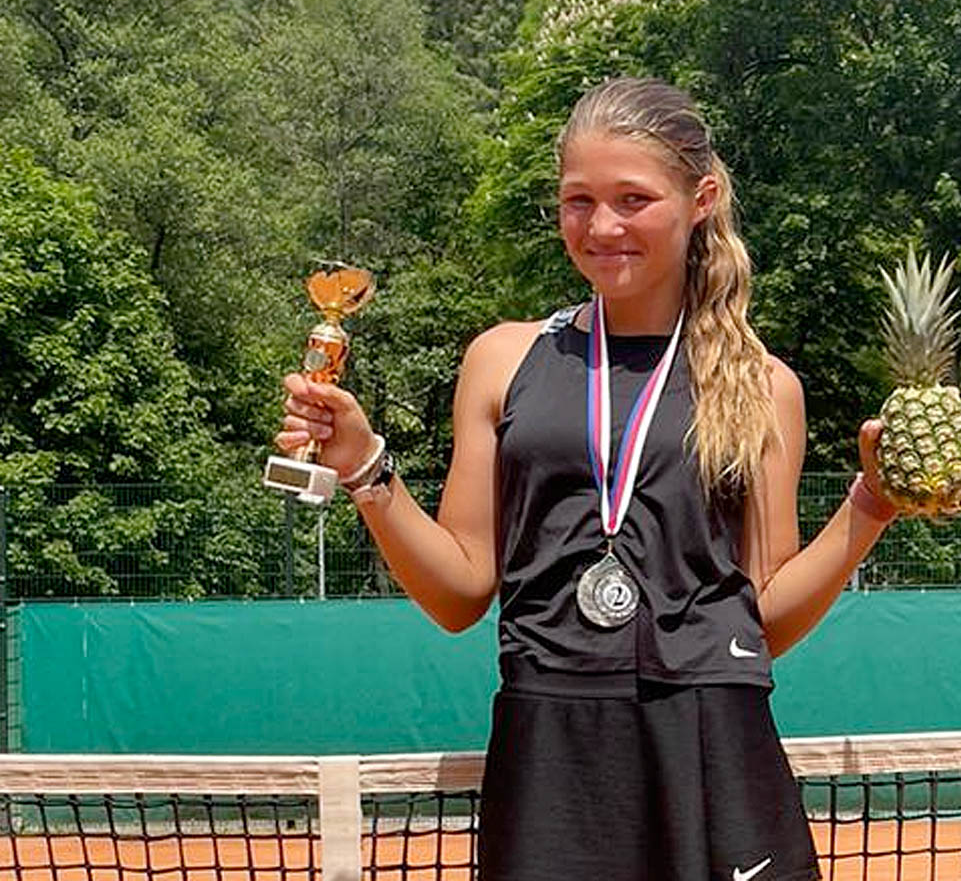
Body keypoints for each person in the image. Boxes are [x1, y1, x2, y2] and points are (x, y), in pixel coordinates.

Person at [276, 77, 898, 881]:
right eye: (579, 201)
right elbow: (459, 594)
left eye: (633, 199)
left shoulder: (762, 386)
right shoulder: (501, 360)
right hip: (550, 746)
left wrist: (869, 505)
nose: (602, 226)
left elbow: (763, 616)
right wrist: (367, 467)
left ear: (701, 199)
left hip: (712, 743)